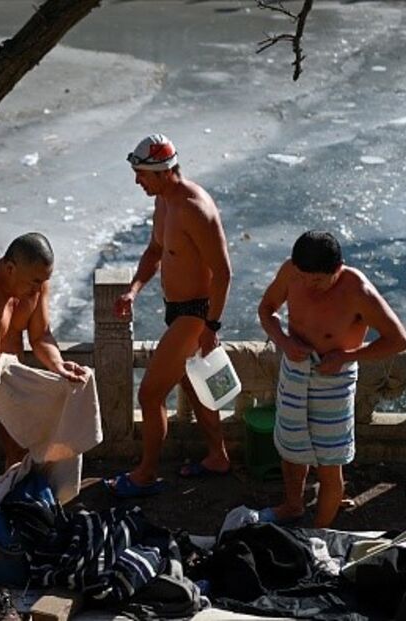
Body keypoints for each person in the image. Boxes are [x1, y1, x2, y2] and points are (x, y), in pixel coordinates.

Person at [105, 134, 233, 498]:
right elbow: (155, 250)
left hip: (196, 313)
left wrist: (212, 326)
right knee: (195, 386)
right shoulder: (163, 201)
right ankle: (218, 457)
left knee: (149, 395)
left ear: (162, 172)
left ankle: (145, 475)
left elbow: (223, 273)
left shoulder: (196, 209)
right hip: (176, 309)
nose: (136, 181)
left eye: (140, 173)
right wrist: (133, 288)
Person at [257, 230, 406, 527]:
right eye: (302, 277)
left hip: (333, 382)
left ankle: (319, 532)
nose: (308, 286)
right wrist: (284, 341)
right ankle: (292, 505)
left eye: (316, 280)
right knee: (290, 451)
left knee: (329, 464)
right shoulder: (291, 271)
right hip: (294, 371)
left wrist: (347, 356)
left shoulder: (358, 291)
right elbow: (266, 310)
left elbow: (398, 340)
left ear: (336, 270)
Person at [0, 232, 87, 501]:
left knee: (21, 455)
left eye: (44, 281)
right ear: (10, 268)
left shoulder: (36, 282)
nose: (39, 289)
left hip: (9, 378)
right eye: (35, 282)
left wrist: (58, 365)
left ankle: (11, 524)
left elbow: (40, 335)